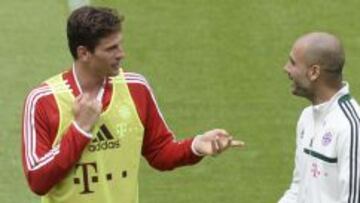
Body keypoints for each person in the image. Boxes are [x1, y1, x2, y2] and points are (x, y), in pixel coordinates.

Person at [21, 6, 244, 203]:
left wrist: (196, 146)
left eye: (120, 45)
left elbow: (159, 152)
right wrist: (80, 130)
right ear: (84, 53)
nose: (121, 54)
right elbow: (37, 179)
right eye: (111, 49)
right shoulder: (44, 100)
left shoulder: (135, 88)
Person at [278, 32, 360, 203]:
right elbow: (298, 190)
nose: (286, 68)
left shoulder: (351, 127)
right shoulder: (307, 118)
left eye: (293, 63)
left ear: (314, 72)